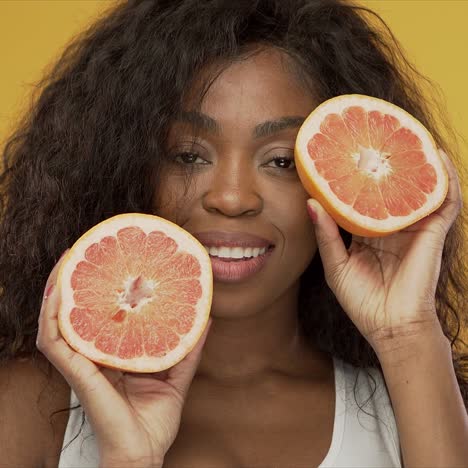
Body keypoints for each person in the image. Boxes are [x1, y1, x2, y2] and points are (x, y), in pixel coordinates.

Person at [1, 0, 467, 466]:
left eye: (282, 161)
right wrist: (128, 458)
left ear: (344, 187)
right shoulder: (31, 407)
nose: (232, 197)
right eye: (188, 155)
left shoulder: (416, 404)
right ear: (123, 166)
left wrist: (408, 336)